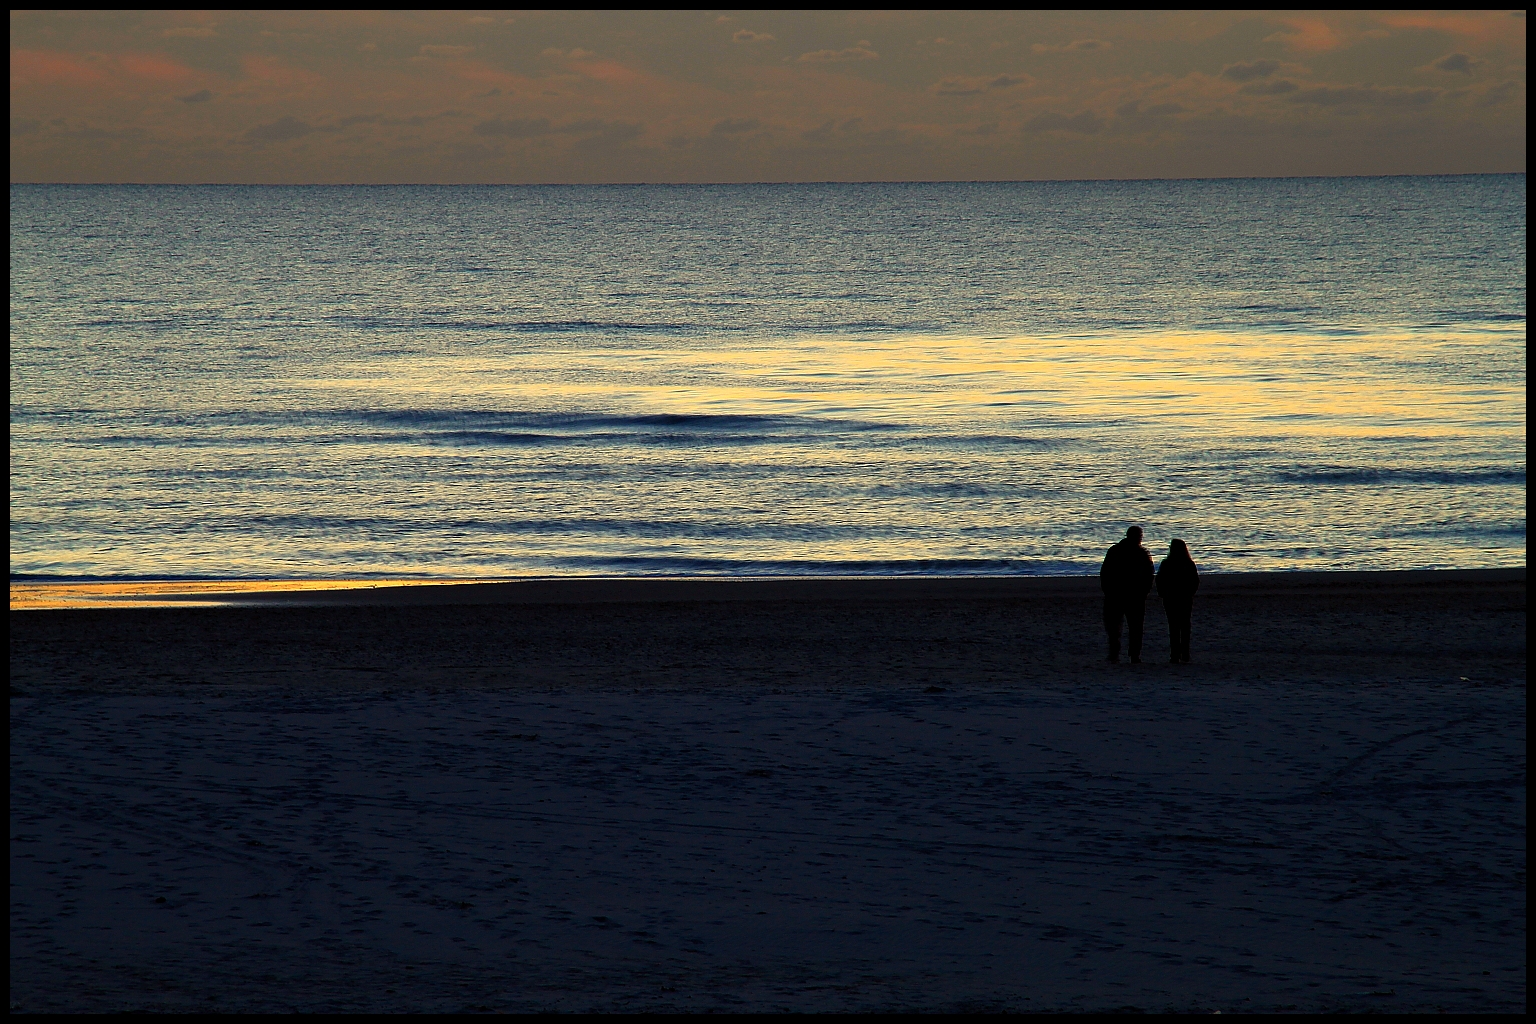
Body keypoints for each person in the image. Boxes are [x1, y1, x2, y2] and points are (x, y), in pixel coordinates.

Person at [1100, 526, 1154, 663]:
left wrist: (1108, 591)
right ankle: (1132, 655)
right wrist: (1144, 592)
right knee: (1133, 628)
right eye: (1139, 536)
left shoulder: (1115, 551)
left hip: (1119, 595)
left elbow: (1105, 573)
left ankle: (1117, 654)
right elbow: (1149, 574)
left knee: (1116, 627)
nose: (1141, 538)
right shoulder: (1141, 553)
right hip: (1130, 596)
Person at [1155, 538, 1200, 663]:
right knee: (1185, 626)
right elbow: (1195, 581)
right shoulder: (1188, 563)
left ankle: (1175, 654)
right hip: (1184, 597)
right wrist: (1190, 593)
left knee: (1174, 626)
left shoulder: (1167, 563)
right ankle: (1184, 653)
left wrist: (1162, 593)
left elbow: (1159, 580)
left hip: (1171, 598)